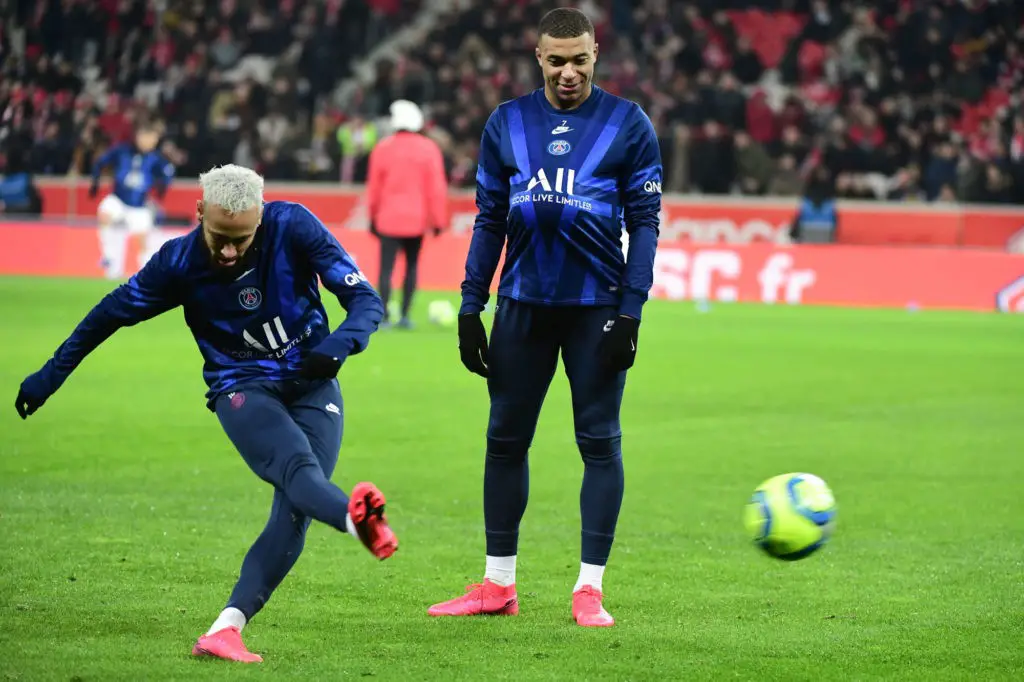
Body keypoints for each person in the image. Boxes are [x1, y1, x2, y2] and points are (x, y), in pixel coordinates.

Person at [15, 164, 398, 663]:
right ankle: (355, 520)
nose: (230, 251)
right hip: (241, 386)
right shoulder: (178, 263)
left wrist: (339, 345)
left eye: (242, 239)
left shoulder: (293, 226)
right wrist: (50, 374)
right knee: (297, 470)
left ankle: (226, 629)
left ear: (261, 216)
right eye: (220, 237)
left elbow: (364, 300)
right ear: (199, 212)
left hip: (313, 382)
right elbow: (108, 315)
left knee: (296, 508)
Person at [428, 7, 661, 627]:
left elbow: (645, 224)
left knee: (599, 442)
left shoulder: (629, 123)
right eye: (556, 61)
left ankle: (589, 589)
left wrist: (631, 313)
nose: (568, 72)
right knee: (504, 441)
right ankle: (497, 584)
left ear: (595, 55)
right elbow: (488, 220)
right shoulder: (506, 122)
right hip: (521, 306)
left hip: (595, 309)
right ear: (538, 57)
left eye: (579, 60)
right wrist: (470, 306)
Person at [365, 99, 449, 328]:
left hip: (388, 218)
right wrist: (438, 220)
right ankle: (404, 316)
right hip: (416, 219)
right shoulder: (429, 149)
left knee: (386, 268)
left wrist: (372, 217)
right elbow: (436, 189)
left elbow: (374, 188)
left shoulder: (383, 148)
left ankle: (383, 316)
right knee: (411, 266)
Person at [90, 122, 176, 279]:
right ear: (138, 136)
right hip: (119, 199)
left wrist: (161, 188)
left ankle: (147, 274)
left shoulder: (156, 159)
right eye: (147, 138)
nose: (150, 142)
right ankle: (108, 256)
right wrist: (95, 182)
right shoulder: (122, 151)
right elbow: (101, 162)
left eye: (153, 139)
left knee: (143, 240)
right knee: (105, 212)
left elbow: (167, 175)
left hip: (139, 205)